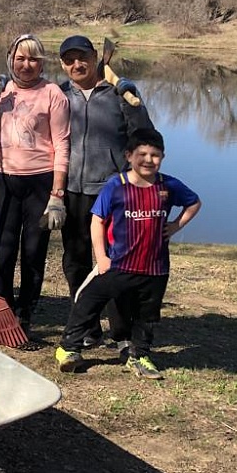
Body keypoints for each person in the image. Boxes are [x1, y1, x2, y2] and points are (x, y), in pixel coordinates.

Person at [55, 128, 201, 379]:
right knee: (88, 301)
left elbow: (194, 202)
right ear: (129, 155)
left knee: (147, 315)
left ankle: (140, 355)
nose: (148, 160)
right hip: (119, 263)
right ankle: (69, 349)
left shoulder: (169, 185)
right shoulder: (116, 185)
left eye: (155, 155)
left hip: (155, 268)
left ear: (163, 157)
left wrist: (175, 226)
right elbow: (97, 220)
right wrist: (101, 257)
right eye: (142, 154)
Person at [58, 34, 155, 346]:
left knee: (115, 263)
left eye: (82, 57)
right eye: (69, 59)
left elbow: (145, 136)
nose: (77, 64)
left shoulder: (117, 94)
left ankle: (122, 332)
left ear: (94, 58)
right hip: (73, 191)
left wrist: (133, 99)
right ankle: (87, 327)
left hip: (110, 193)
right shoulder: (59, 95)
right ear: (62, 64)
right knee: (75, 262)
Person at [0, 34, 70, 342]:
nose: (26, 65)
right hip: (5, 179)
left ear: (41, 63)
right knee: (2, 250)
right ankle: (0, 310)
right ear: (10, 59)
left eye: (33, 59)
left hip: (40, 181)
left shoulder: (53, 93)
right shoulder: (2, 92)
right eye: (20, 58)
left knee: (33, 251)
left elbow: (62, 144)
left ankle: (25, 313)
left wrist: (57, 194)